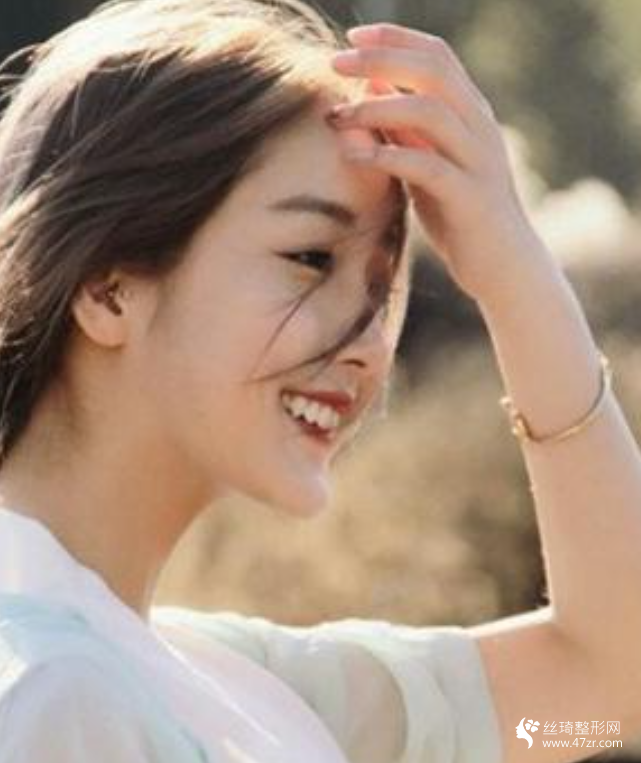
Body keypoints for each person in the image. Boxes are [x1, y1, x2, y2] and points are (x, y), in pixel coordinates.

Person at [0, 1, 640, 762]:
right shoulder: (61, 694)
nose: (366, 343)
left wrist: (511, 267)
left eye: (380, 287)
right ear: (108, 288)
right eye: (309, 258)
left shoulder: (234, 687)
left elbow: (605, 693)